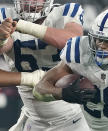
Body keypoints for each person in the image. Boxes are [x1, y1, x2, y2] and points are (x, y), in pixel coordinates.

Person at [0, 0, 92, 131]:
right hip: (34, 119)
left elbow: (73, 40)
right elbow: (5, 44)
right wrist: (2, 38)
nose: (30, 1)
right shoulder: (5, 15)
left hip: (72, 120)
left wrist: (25, 26)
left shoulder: (66, 12)